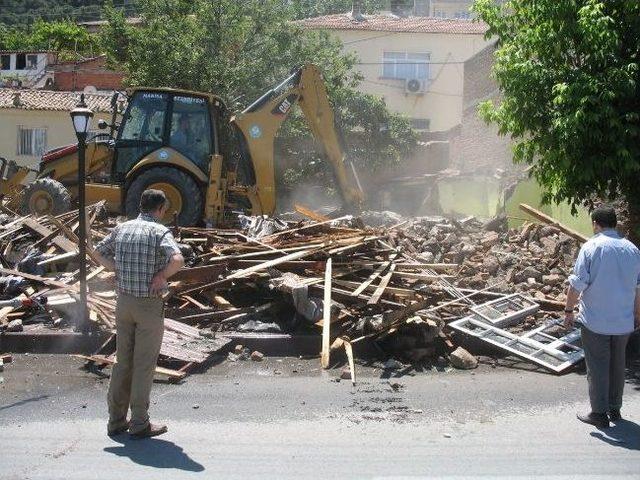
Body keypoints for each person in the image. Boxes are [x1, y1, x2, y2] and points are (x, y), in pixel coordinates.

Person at [95, 189, 185, 439]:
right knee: (144, 365)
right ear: (161, 209)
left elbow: (97, 251)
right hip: (147, 305)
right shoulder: (159, 231)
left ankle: (115, 420)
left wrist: (116, 268)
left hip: (123, 304)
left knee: (122, 361)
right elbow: (177, 259)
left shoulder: (122, 228)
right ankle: (139, 422)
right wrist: (162, 275)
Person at [564, 205, 640, 429]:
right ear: (615, 224)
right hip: (623, 321)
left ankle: (598, 413)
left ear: (596, 224)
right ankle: (614, 408)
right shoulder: (632, 250)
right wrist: (637, 314)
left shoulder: (591, 247)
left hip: (596, 321)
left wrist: (568, 311)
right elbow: (638, 287)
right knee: (618, 365)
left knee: (597, 366)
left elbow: (576, 284)